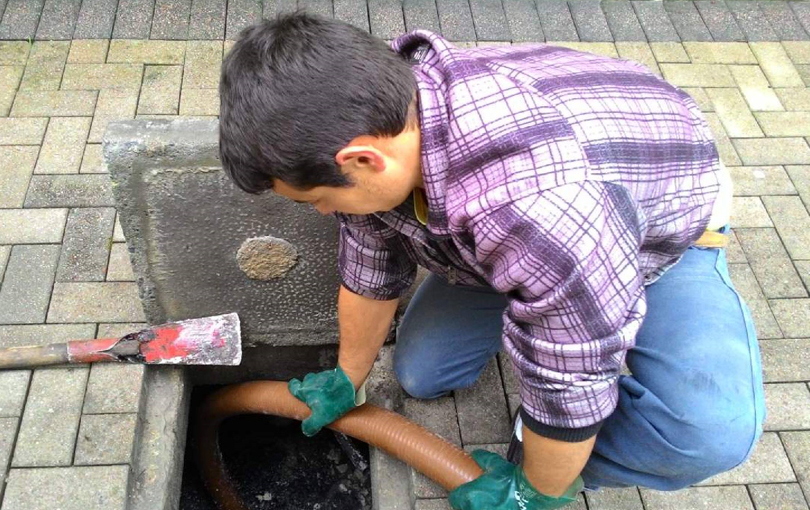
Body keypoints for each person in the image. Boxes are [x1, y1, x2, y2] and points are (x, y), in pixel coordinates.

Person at [218, 12, 766, 510]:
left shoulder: (537, 208)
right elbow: (370, 262)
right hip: (524, 235)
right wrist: (347, 377)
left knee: (703, 434)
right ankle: (544, 334)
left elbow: (571, 372)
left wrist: (538, 490)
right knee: (422, 372)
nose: (322, 212)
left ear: (363, 160)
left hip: (659, 231)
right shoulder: (370, 111)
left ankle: (562, 457)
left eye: (317, 200)